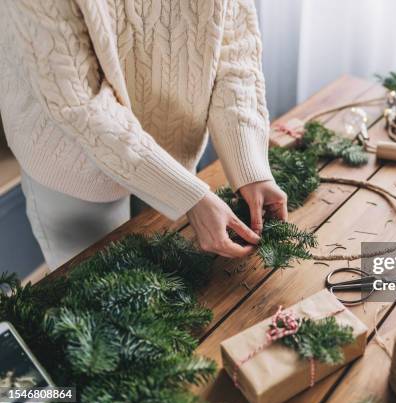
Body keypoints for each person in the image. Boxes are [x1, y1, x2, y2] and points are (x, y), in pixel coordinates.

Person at [0, 0, 288, 270]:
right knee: (98, 301)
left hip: (175, 152)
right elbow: (80, 105)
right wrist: (187, 196)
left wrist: (249, 167)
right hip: (75, 161)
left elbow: (234, 47)